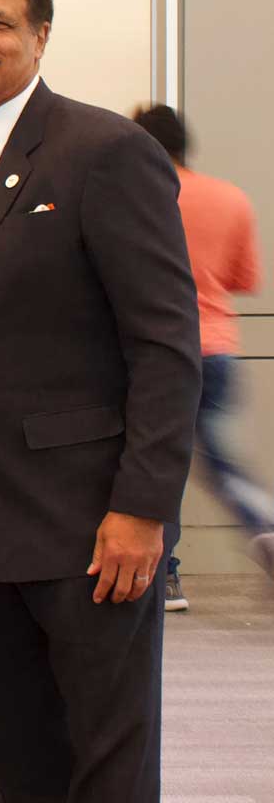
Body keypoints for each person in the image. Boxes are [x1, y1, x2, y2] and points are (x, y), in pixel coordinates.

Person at [0, 0, 201, 802]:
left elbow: (165, 344)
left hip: (90, 531)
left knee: (106, 760)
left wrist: (142, 510)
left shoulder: (105, 151)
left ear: (40, 35)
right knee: (14, 749)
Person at [132, 102, 273, 605]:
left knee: (146, 464)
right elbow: (245, 279)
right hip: (216, 349)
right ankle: (263, 524)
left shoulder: (140, 196)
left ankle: (160, 576)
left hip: (155, 350)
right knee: (220, 460)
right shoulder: (230, 199)